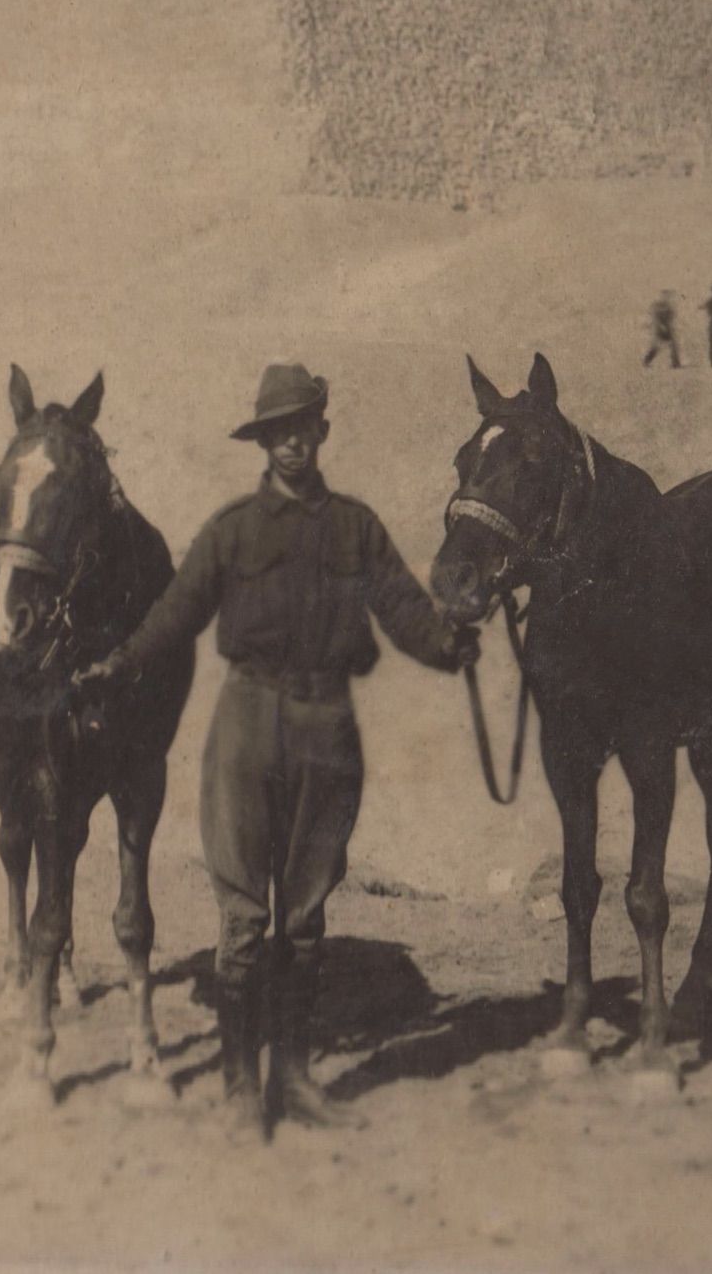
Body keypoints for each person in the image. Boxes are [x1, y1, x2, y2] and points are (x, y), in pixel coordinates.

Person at [76, 363, 477, 1140]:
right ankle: (237, 1090)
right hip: (247, 722)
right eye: (276, 431)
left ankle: (292, 1080)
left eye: (303, 427)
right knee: (244, 922)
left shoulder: (357, 527)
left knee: (304, 919)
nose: (291, 442)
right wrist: (117, 664)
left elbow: (402, 605)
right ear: (263, 443)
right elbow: (175, 612)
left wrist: (448, 643)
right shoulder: (232, 529)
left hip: (328, 724)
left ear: (322, 431)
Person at [643, 289, 681, 368]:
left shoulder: (669, 306)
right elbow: (655, 318)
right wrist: (661, 326)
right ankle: (646, 361)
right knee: (656, 346)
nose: (669, 298)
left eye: (669, 297)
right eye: (667, 296)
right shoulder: (657, 306)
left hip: (667, 329)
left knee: (673, 345)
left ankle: (675, 363)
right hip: (659, 329)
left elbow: (671, 318)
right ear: (662, 296)